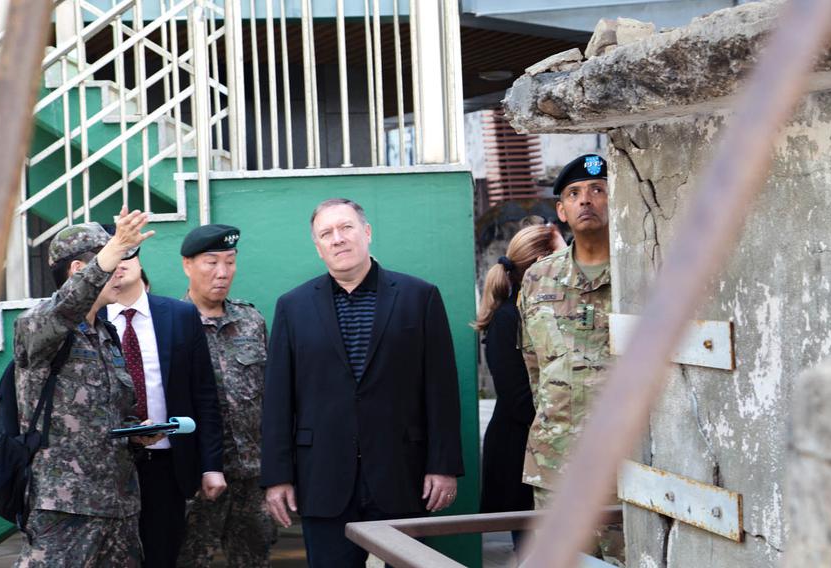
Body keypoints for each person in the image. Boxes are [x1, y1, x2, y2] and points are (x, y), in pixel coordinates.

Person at [261, 198, 464, 568]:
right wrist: (277, 477)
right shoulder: (293, 306)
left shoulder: (420, 297)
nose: (338, 239)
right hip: (323, 476)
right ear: (318, 247)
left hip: (403, 472)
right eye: (326, 233)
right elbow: (277, 399)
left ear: (367, 233)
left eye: (346, 228)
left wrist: (443, 465)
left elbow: (441, 389)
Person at [13, 209, 154, 566]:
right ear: (80, 272)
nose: (121, 271)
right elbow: (67, 306)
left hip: (119, 504)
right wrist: (116, 246)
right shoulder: (37, 326)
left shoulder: (106, 335)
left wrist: (137, 431)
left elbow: (110, 412)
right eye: (112, 261)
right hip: (65, 508)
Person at [518, 154, 622, 561]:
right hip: (555, 465)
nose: (586, 201)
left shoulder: (643, 270)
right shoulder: (537, 279)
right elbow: (534, 367)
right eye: (574, 194)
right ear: (560, 210)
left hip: (627, 463)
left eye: (598, 191)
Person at [103, 243, 226, 567]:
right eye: (110, 255)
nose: (120, 262)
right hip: (108, 465)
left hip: (167, 463)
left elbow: (205, 395)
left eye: (127, 252)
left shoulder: (180, 315)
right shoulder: (89, 318)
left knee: (162, 555)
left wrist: (211, 464)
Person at [177, 224, 277, 567]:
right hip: (198, 481)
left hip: (253, 478)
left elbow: (272, 397)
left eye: (230, 262)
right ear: (187, 265)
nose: (222, 273)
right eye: (211, 262)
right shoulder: (173, 325)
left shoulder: (251, 321)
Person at [474, 223, 566, 553]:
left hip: (544, 448)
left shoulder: (544, 312)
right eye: (561, 257)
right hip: (523, 452)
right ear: (541, 264)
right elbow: (519, 400)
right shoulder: (508, 318)